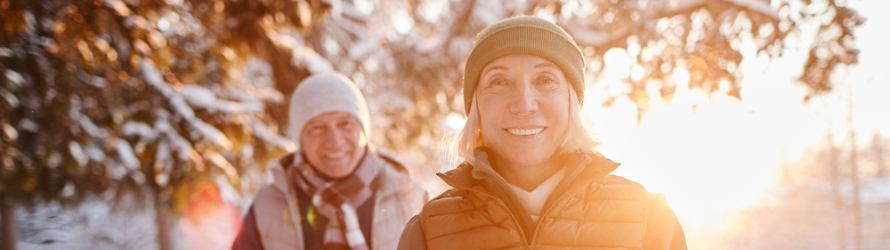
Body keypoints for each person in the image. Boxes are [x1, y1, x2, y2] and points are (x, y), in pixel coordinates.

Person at [397, 16, 687, 250]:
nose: (523, 104)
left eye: (545, 79)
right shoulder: (428, 232)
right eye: (499, 82)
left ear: (572, 101)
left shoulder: (650, 222)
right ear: (477, 108)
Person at [233, 72, 427, 250]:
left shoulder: (411, 197)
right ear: (301, 140)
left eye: (346, 124)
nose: (335, 141)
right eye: (317, 128)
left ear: (364, 130)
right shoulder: (266, 206)